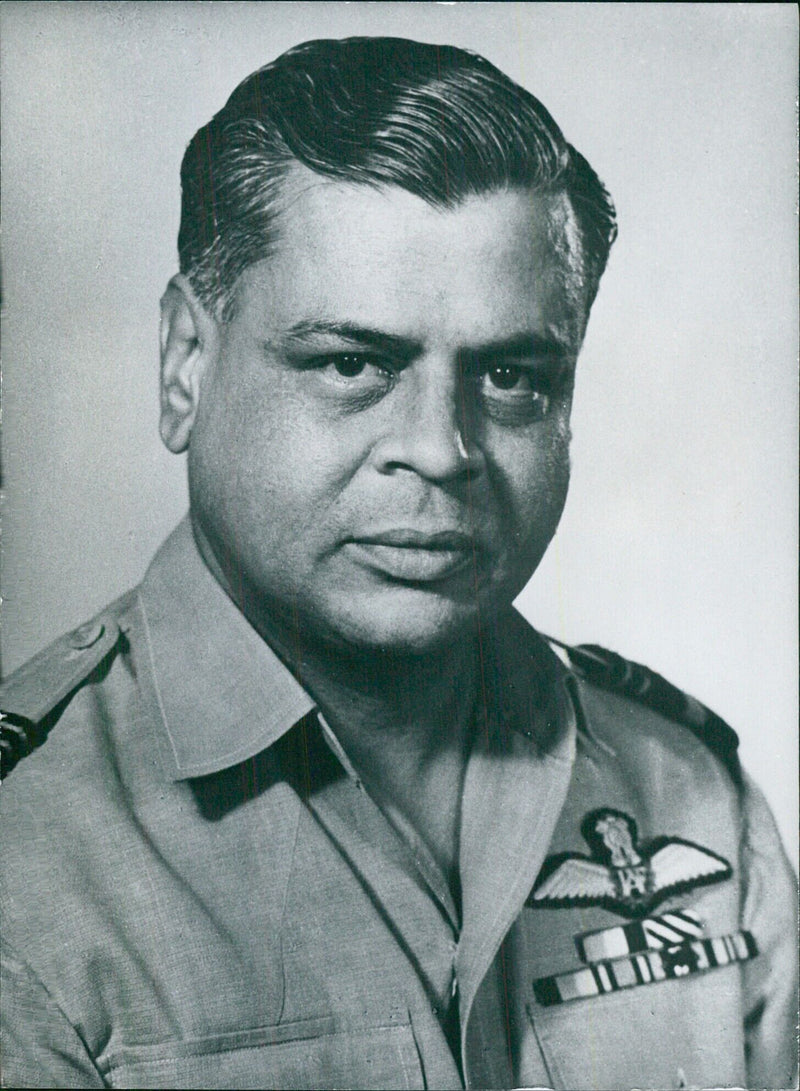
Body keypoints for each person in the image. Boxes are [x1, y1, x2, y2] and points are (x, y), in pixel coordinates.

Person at [0, 36, 795, 1091]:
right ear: (185, 364)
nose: (440, 447)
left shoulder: (691, 797)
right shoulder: (26, 860)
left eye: (511, 375)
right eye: (352, 363)